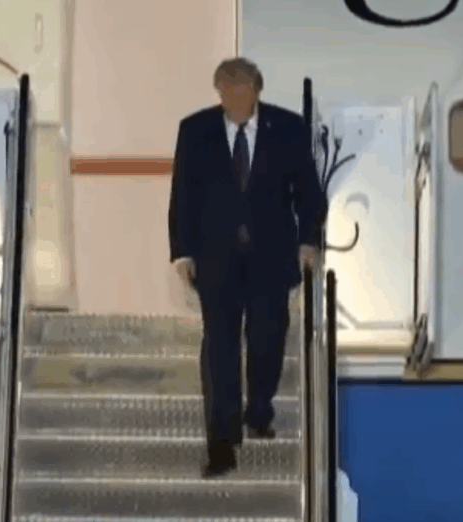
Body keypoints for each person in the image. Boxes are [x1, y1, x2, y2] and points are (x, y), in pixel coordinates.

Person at [168, 58, 327, 478]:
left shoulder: (288, 128)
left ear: (257, 90)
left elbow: (309, 192)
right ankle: (221, 444)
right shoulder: (195, 130)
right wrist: (182, 253)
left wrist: (308, 241)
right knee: (219, 349)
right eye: (226, 91)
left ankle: (259, 408)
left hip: (271, 258)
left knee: (267, 339)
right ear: (218, 92)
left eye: (241, 91)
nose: (233, 99)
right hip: (216, 260)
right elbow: (183, 194)